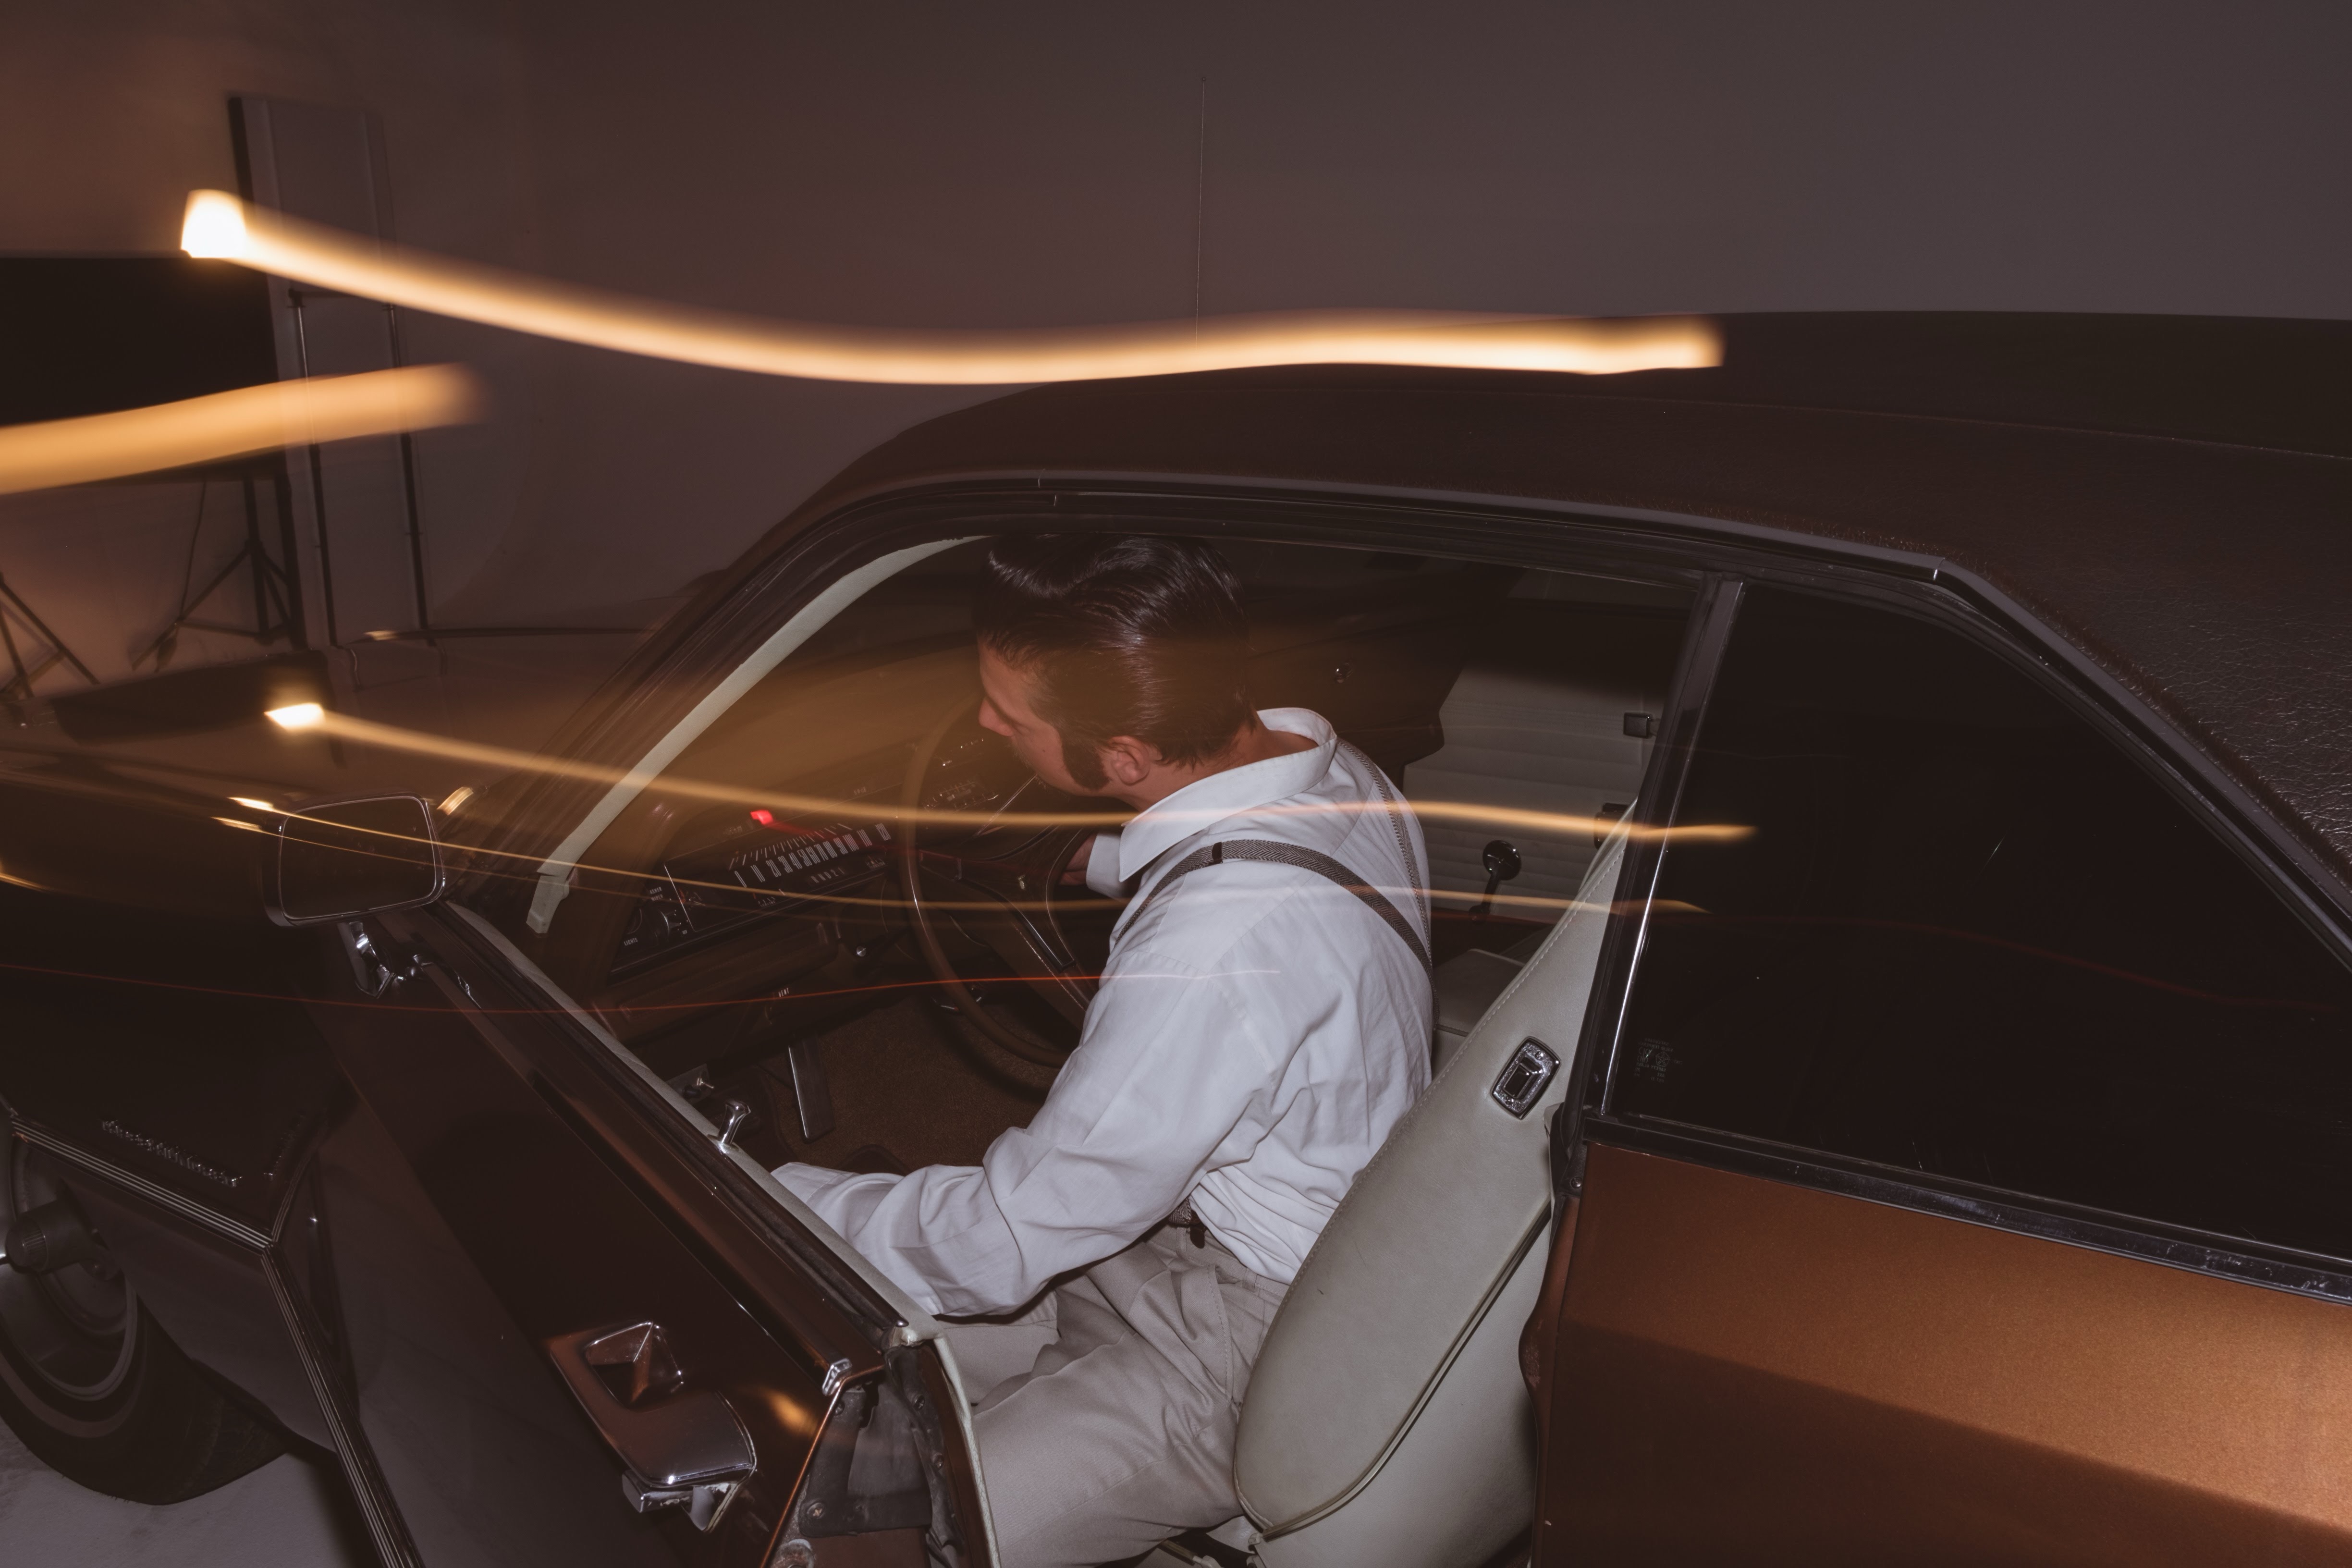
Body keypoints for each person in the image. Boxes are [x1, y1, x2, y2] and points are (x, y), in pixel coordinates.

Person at [773, 534, 1432, 1568]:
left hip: (1255, 1342)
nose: (984, 723)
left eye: (1010, 715)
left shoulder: (1212, 950)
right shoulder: (1338, 771)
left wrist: (783, 1206)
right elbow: (1242, 864)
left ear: (1123, 758)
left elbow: (1011, 1236)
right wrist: (1090, 854)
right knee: (850, 1339)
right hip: (1247, 1238)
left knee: (909, 1533)